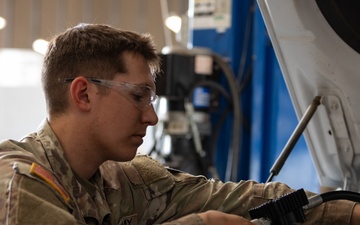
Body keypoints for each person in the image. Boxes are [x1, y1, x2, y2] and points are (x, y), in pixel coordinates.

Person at [0, 23, 359, 225]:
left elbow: (248, 198)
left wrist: (352, 212)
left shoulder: (128, 179)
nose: (152, 117)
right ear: (84, 94)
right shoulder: (19, 184)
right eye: (139, 96)